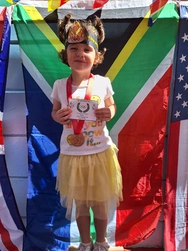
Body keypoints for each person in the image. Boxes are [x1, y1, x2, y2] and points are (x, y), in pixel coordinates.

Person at [51, 13, 123, 251]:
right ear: (66, 55)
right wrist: (57, 116)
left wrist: (109, 112)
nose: (80, 54)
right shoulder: (60, 85)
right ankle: (84, 243)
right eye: (74, 49)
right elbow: (55, 111)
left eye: (87, 49)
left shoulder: (103, 83)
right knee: (80, 204)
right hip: (73, 155)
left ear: (96, 56)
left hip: (100, 154)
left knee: (100, 203)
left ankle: (101, 242)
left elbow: (112, 105)